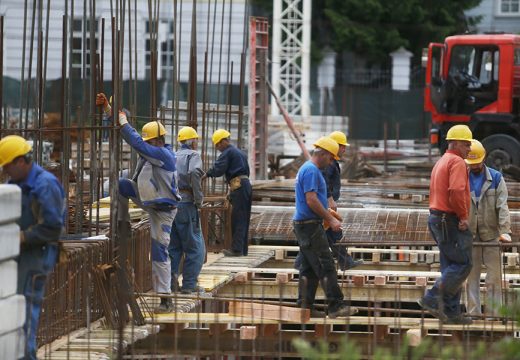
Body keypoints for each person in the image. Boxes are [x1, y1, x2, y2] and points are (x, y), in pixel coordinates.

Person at [97, 93, 180, 313]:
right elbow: (135, 135)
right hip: (148, 199)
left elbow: (135, 141)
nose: (146, 144)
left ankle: (165, 297)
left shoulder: (164, 155)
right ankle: (123, 224)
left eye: (148, 141)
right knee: (121, 185)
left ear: (158, 140)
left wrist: (123, 122)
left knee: (159, 251)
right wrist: (109, 109)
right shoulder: (153, 148)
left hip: (163, 210)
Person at [0, 135, 65, 360]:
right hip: (19, 255)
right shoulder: (14, 184)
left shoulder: (44, 185)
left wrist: (21, 237)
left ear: (20, 161)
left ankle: (25, 357)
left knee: (25, 310)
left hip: (38, 256)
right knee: (11, 307)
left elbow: (53, 228)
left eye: (7, 166)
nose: (5, 171)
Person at [294, 136, 358, 318]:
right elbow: (311, 200)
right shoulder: (312, 171)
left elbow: (314, 199)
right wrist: (331, 219)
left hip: (307, 225)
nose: (331, 163)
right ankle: (336, 306)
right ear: (323, 154)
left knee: (309, 268)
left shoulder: (308, 169)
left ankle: (304, 308)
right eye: (331, 158)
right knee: (326, 265)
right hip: (309, 226)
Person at [418, 124, 474, 325]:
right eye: (467, 145)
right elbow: (457, 191)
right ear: (457, 143)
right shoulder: (457, 162)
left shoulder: (442, 161)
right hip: (447, 219)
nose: (469, 149)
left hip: (437, 218)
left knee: (450, 265)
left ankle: (451, 312)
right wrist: (463, 216)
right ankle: (432, 297)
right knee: (463, 263)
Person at [464, 139, 511, 318]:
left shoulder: (496, 178)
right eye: (471, 163)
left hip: (491, 235)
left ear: (483, 159)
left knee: (494, 279)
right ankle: (473, 313)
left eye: (476, 162)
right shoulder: (462, 178)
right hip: (470, 235)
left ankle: (495, 315)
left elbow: (502, 206)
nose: (474, 166)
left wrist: (505, 231)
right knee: (472, 277)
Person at [168, 126, 206, 294]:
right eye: (196, 140)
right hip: (187, 204)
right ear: (192, 141)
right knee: (195, 247)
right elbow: (195, 173)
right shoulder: (193, 155)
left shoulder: (172, 156)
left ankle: (170, 284)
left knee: (174, 247)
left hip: (172, 205)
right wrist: (198, 200)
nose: (197, 143)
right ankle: (189, 285)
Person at [204, 129, 252, 257]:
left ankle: (236, 250)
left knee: (238, 218)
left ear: (223, 142)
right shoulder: (240, 153)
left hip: (239, 186)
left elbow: (219, 169)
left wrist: (207, 174)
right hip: (245, 185)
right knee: (244, 217)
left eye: (218, 145)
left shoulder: (228, 152)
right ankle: (242, 249)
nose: (218, 148)